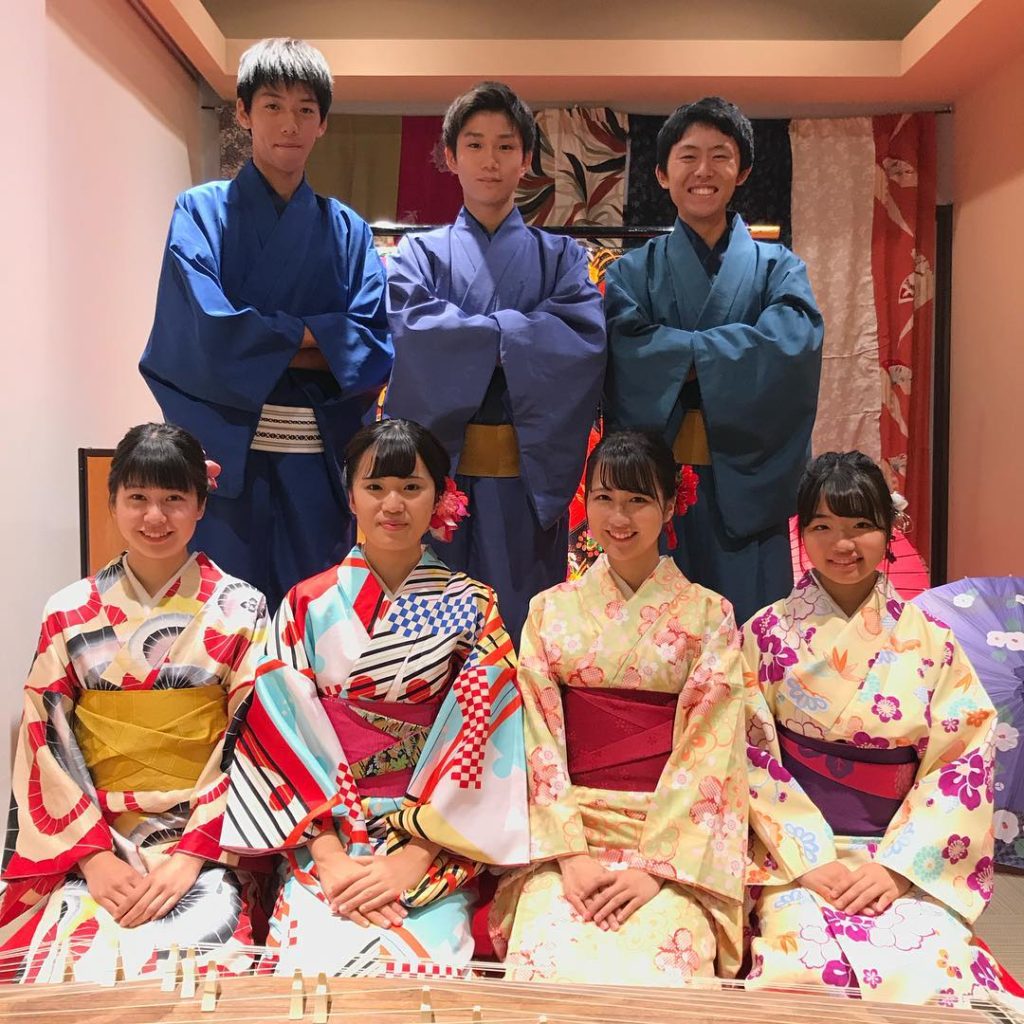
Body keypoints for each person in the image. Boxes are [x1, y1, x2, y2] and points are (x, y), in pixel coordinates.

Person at [221, 418, 528, 975]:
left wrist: (414, 857)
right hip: (329, 832)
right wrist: (330, 857)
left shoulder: (470, 604)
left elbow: (485, 734)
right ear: (351, 496)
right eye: (375, 486)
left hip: (431, 838)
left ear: (440, 496)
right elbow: (279, 731)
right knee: (312, 968)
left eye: (412, 487)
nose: (393, 504)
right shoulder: (306, 603)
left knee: (423, 972)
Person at [743, 451, 1017, 1005]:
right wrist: (807, 857)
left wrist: (899, 867)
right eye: (823, 526)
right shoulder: (765, 634)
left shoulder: (933, 640)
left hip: (901, 852)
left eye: (861, 525)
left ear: (890, 530)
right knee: (805, 971)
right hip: (795, 854)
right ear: (803, 533)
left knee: (932, 972)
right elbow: (746, 753)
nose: (842, 544)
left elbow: (961, 761)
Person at [0, 424, 268, 984]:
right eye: (138, 497)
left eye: (174, 498)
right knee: (57, 968)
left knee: (203, 966)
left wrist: (192, 855)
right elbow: (43, 736)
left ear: (201, 505)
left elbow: (255, 738)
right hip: (93, 836)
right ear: (113, 501)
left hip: (202, 839)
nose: (154, 516)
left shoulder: (242, 608)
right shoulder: (68, 610)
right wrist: (93, 857)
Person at [141, 37, 392, 610]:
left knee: (318, 619)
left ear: (323, 123)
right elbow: (210, 334)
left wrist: (261, 336)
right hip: (229, 463)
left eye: (306, 109)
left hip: (316, 464)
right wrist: (317, 336)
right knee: (224, 619)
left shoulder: (348, 230)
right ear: (243, 112)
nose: (289, 123)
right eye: (273, 105)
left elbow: (372, 345)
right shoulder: (199, 212)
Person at [493, 431, 747, 985]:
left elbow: (713, 749)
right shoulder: (550, 611)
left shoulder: (709, 615)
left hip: (670, 845)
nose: (618, 517)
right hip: (569, 838)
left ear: (671, 505)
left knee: (665, 974)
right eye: (604, 498)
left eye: (637, 500)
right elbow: (534, 736)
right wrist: (569, 856)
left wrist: (656, 869)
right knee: (545, 967)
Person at [383, 81, 606, 646]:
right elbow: (414, 332)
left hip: (525, 481)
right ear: (451, 156)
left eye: (506, 146)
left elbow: (579, 338)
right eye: (475, 145)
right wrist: (517, 334)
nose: (490, 160)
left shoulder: (562, 257)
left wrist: (473, 334)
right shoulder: (418, 255)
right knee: (433, 633)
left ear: (526, 159)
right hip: (442, 480)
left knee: (520, 629)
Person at [604, 96, 824, 625]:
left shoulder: (779, 268)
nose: (703, 170)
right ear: (662, 174)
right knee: (655, 638)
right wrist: (732, 352)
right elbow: (625, 350)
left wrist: (680, 353)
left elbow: (790, 346)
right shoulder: (630, 273)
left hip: (747, 485)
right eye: (688, 156)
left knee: (748, 633)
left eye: (720, 156)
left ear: (742, 171)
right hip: (656, 485)